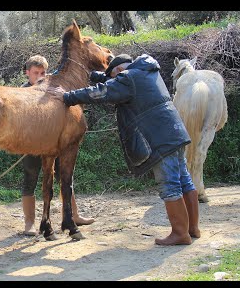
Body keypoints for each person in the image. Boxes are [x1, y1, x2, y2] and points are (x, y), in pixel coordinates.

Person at [47, 53, 201, 246]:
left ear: (119, 71)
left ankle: (180, 233)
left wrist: (67, 96)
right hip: (175, 134)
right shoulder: (146, 71)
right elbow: (112, 82)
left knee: (170, 185)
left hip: (159, 139)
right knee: (184, 181)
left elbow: (103, 91)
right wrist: (94, 74)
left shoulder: (128, 79)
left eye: (114, 77)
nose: (114, 80)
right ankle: (192, 229)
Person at [20, 55, 95, 236]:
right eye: (36, 72)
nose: (39, 76)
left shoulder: (52, 87)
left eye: (43, 72)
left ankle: (73, 215)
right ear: (27, 73)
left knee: (65, 176)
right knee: (30, 177)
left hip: (56, 143)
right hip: (32, 144)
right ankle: (29, 223)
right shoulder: (22, 92)